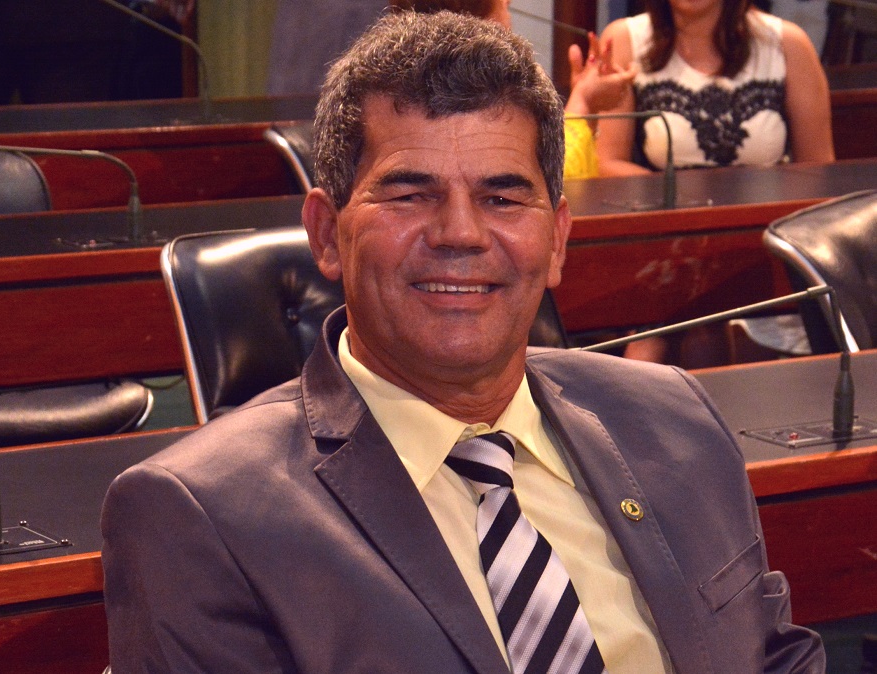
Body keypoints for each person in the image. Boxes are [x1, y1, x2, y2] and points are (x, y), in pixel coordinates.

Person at [102, 11, 825, 673]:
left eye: (502, 198)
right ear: (325, 234)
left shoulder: (676, 418)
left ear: (557, 239)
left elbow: (773, 658)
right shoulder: (199, 514)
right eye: (410, 194)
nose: (461, 233)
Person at [391, 0, 638, 178]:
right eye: (504, 4)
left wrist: (587, 106)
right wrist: (583, 101)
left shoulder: (393, 75)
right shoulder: (480, 87)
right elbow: (550, 183)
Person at [595, 0, 835, 176]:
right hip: (663, 217)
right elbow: (606, 163)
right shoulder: (624, 40)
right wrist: (676, 201)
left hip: (766, 221)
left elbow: (818, 170)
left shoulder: (789, 44)